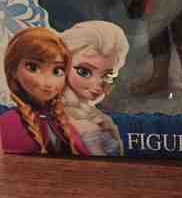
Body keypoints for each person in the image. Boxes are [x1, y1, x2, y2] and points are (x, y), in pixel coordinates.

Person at [0, 27, 89, 155]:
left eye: (57, 71)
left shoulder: (61, 122)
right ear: (13, 71)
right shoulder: (9, 122)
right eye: (33, 67)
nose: (48, 82)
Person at [61, 20, 129, 156]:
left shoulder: (94, 115)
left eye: (107, 75)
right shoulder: (56, 116)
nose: (97, 85)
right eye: (84, 72)